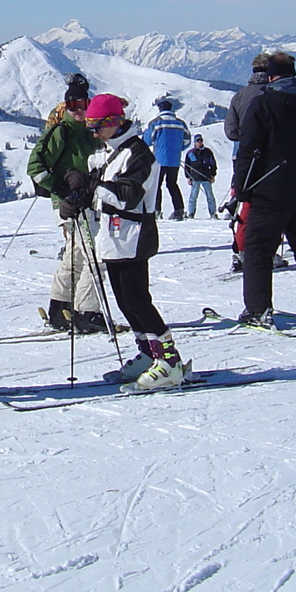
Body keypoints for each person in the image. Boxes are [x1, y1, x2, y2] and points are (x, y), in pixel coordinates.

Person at [85, 94, 190, 392]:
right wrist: (79, 196)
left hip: (133, 236)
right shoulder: (113, 151)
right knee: (124, 302)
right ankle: (149, 353)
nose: (93, 132)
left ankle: (169, 361)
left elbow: (126, 195)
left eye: (96, 125)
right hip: (113, 237)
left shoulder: (138, 153)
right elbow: (102, 190)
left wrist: (92, 185)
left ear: (114, 122)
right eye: (89, 126)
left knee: (138, 301)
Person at [231, 52, 296, 326]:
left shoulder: (263, 104)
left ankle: (258, 308)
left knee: (257, 251)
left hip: (268, 192)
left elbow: (249, 150)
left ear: (271, 75)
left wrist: (241, 188)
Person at [26, 86, 107, 334]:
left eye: (83, 104)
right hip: (73, 203)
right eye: (73, 106)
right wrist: (60, 188)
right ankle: (87, 313)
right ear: (65, 107)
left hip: (86, 200)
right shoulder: (62, 131)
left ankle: (60, 308)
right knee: (97, 255)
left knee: (76, 255)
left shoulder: (89, 131)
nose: (79, 110)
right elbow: (35, 167)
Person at [223, 53, 273, 268]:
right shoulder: (273, 94)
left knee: (247, 204)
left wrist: (245, 138)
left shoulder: (240, 96)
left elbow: (230, 130)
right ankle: (267, 252)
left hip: (243, 156)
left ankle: (241, 247)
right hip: (272, 156)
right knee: (273, 207)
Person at [143, 99, 190, 220]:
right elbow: (187, 141)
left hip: (159, 159)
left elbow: (147, 140)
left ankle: (157, 210)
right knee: (172, 184)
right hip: (175, 159)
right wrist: (177, 149)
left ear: (160, 109)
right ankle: (179, 210)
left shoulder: (156, 122)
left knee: (156, 185)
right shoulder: (181, 123)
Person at [183, 134, 219, 219]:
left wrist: (213, 175)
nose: (199, 142)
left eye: (200, 141)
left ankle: (213, 213)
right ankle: (191, 213)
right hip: (195, 178)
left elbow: (213, 164)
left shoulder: (208, 152)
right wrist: (188, 177)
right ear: (195, 142)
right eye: (197, 141)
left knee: (210, 196)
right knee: (193, 196)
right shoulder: (190, 153)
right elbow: (187, 166)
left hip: (206, 177)